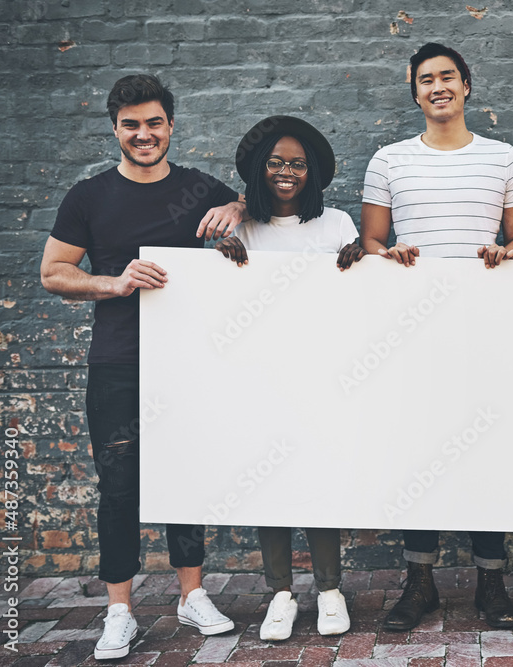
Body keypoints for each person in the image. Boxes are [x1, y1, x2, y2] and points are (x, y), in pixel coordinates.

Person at [40, 74, 245, 660]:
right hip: (117, 363)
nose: (144, 134)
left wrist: (236, 205)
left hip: (186, 362)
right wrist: (115, 281)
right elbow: (54, 272)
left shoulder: (202, 187)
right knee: (119, 488)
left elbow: (256, 207)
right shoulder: (89, 196)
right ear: (116, 130)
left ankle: (191, 595)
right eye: (131, 124)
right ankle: (120, 611)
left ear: (171, 125)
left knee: (185, 477)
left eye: (154, 122)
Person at [360, 42, 513, 631]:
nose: (438, 86)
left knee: (486, 450)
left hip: (485, 331)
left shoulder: (505, 158)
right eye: (426, 78)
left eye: (448, 77)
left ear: (466, 87)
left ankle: (491, 583)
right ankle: (420, 584)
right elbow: (372, 245)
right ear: (414, 90)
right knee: (420, 454)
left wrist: (502, 252)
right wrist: (391, 253)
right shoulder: (388, 160)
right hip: (412, 332)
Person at [215, 115, 365, 640]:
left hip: (324, 373)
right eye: (276, 162)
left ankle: (329, 589)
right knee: (269, 483)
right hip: (261, 377)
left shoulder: (337, 224)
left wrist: (359, 261)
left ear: (313, 173)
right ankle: (280, 592)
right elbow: (218, 301)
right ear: (260, 169)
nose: (287, 171)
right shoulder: (243, 229)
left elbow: (359, 298)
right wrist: (221, 260)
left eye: (298, 164)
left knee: (319, 477)